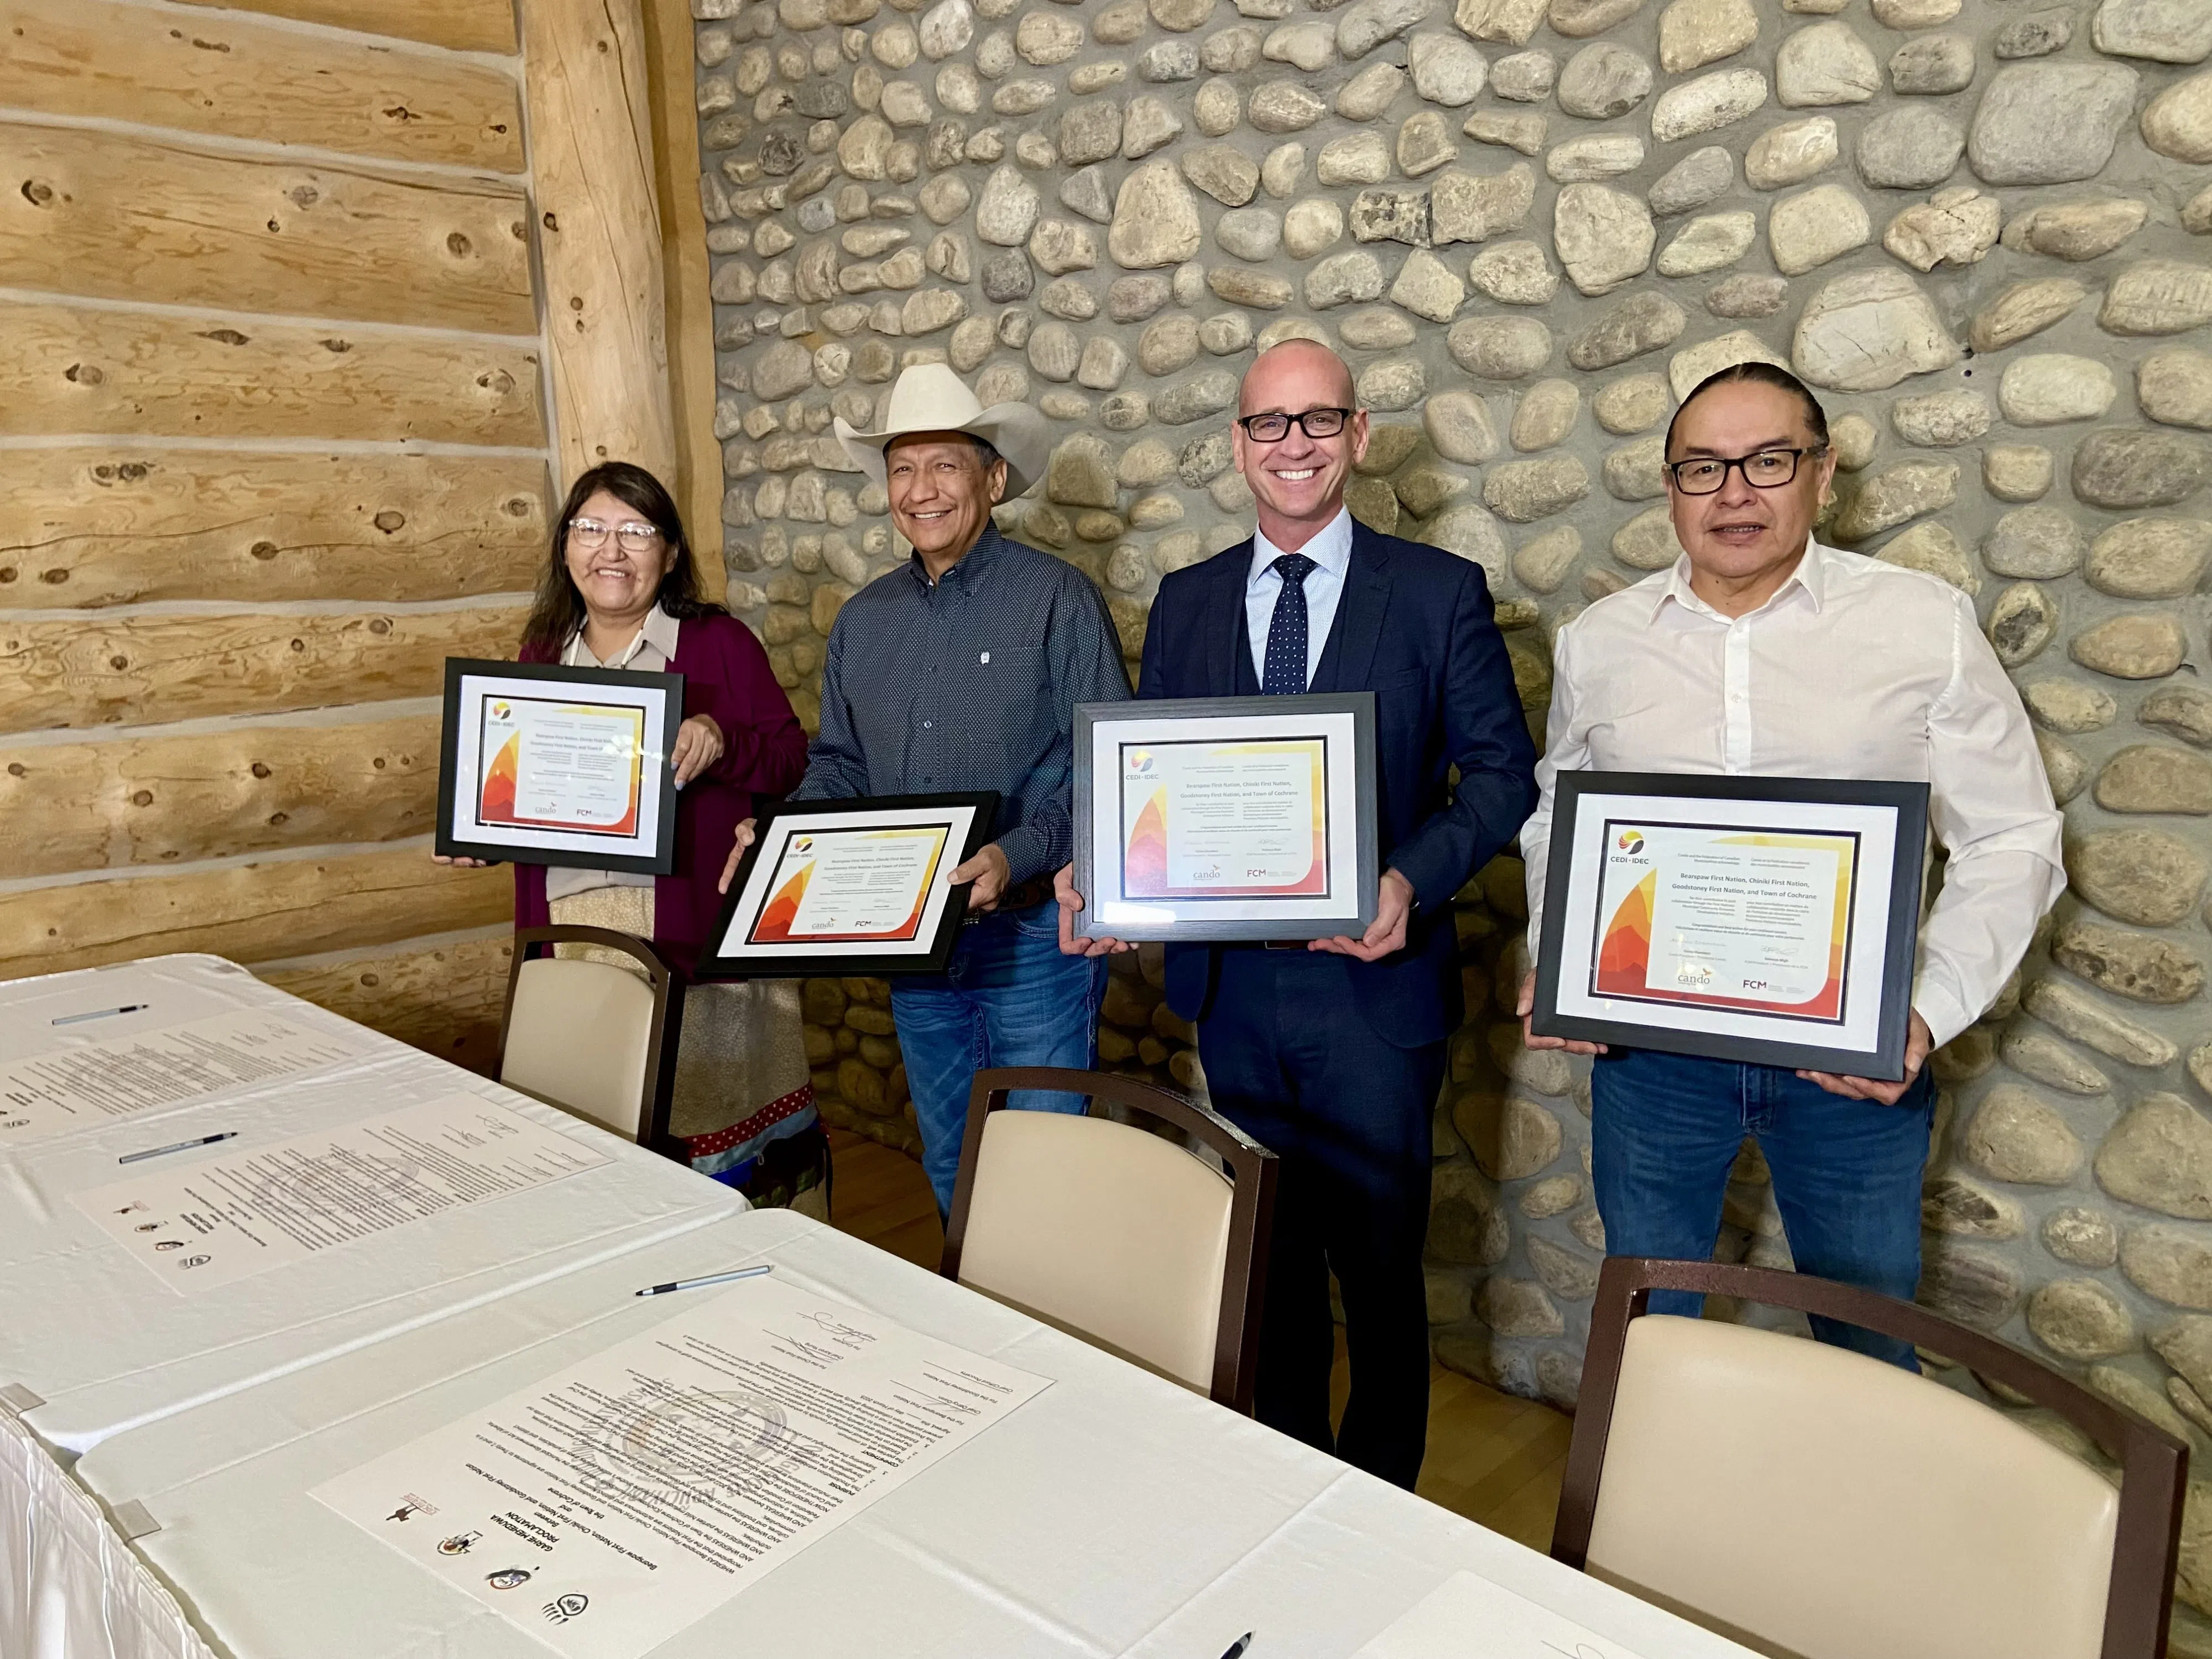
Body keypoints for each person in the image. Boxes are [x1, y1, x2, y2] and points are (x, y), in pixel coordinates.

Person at [1056, 340, 1539, 1489]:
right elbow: (1151, 784)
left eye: (1316, 422)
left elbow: (1503, 776)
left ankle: (1378, 1506)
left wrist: (1407, 879)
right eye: (1268, 425)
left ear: (1357, 436)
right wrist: (1103, 873)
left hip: (1371, 984)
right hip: (1233, 990)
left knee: (1376, 1267)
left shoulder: (1435, 594)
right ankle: (1283, 1477)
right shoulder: (1185, 602)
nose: (1292, 446)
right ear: (1236, 445)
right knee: (1265, 1258)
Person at [1517, 361, 2065, 1369]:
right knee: (1648, 1327)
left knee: (1865, 1334)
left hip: (1848, 1063)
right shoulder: (1602, 643)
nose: (1734, 493)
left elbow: (2013, 835)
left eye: (1767, 460)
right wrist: (1564, 956)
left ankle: (1854, 1527)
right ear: (1670, 488)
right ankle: (1640, 1517)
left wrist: (1929, 1009)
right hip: (1655, 1065)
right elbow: (1562, 814)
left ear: (1823, 473)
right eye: (1701, 468)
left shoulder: (1919, 625)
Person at [722, 364, 1132, 1216]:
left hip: (1033, 943)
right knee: (952, 1168)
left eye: (945, 465)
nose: (922, 489)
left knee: (1047, 1177)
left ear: (993, 477)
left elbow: (1109, 767)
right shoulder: (865, 621)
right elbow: (839, 763)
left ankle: (1053, 1346)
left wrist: (1014, 852)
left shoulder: (1058, 599)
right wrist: (780, 837)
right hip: (914, 948)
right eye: (903, 469)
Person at [440, 462, 821, 1208]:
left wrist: (722, 737)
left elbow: (791, 759)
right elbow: (526, 794)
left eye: (635, 532)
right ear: (566, 548)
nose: (610, 551)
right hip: (575, 932)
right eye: (591, 530)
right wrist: (485, 830)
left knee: (710, 1149)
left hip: (691, 937)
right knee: (595, 1138)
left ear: (670, 553)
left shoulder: (720, 644)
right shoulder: (542, 653)